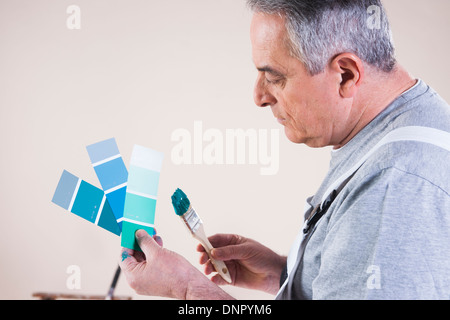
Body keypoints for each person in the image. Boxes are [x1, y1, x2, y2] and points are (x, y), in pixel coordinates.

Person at [119, 0, 450, 299]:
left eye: (274, 77)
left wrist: (189, 290)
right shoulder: (404, 120)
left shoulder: (392, 189)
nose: (259, 97)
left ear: (345, 75)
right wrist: (288, 274)